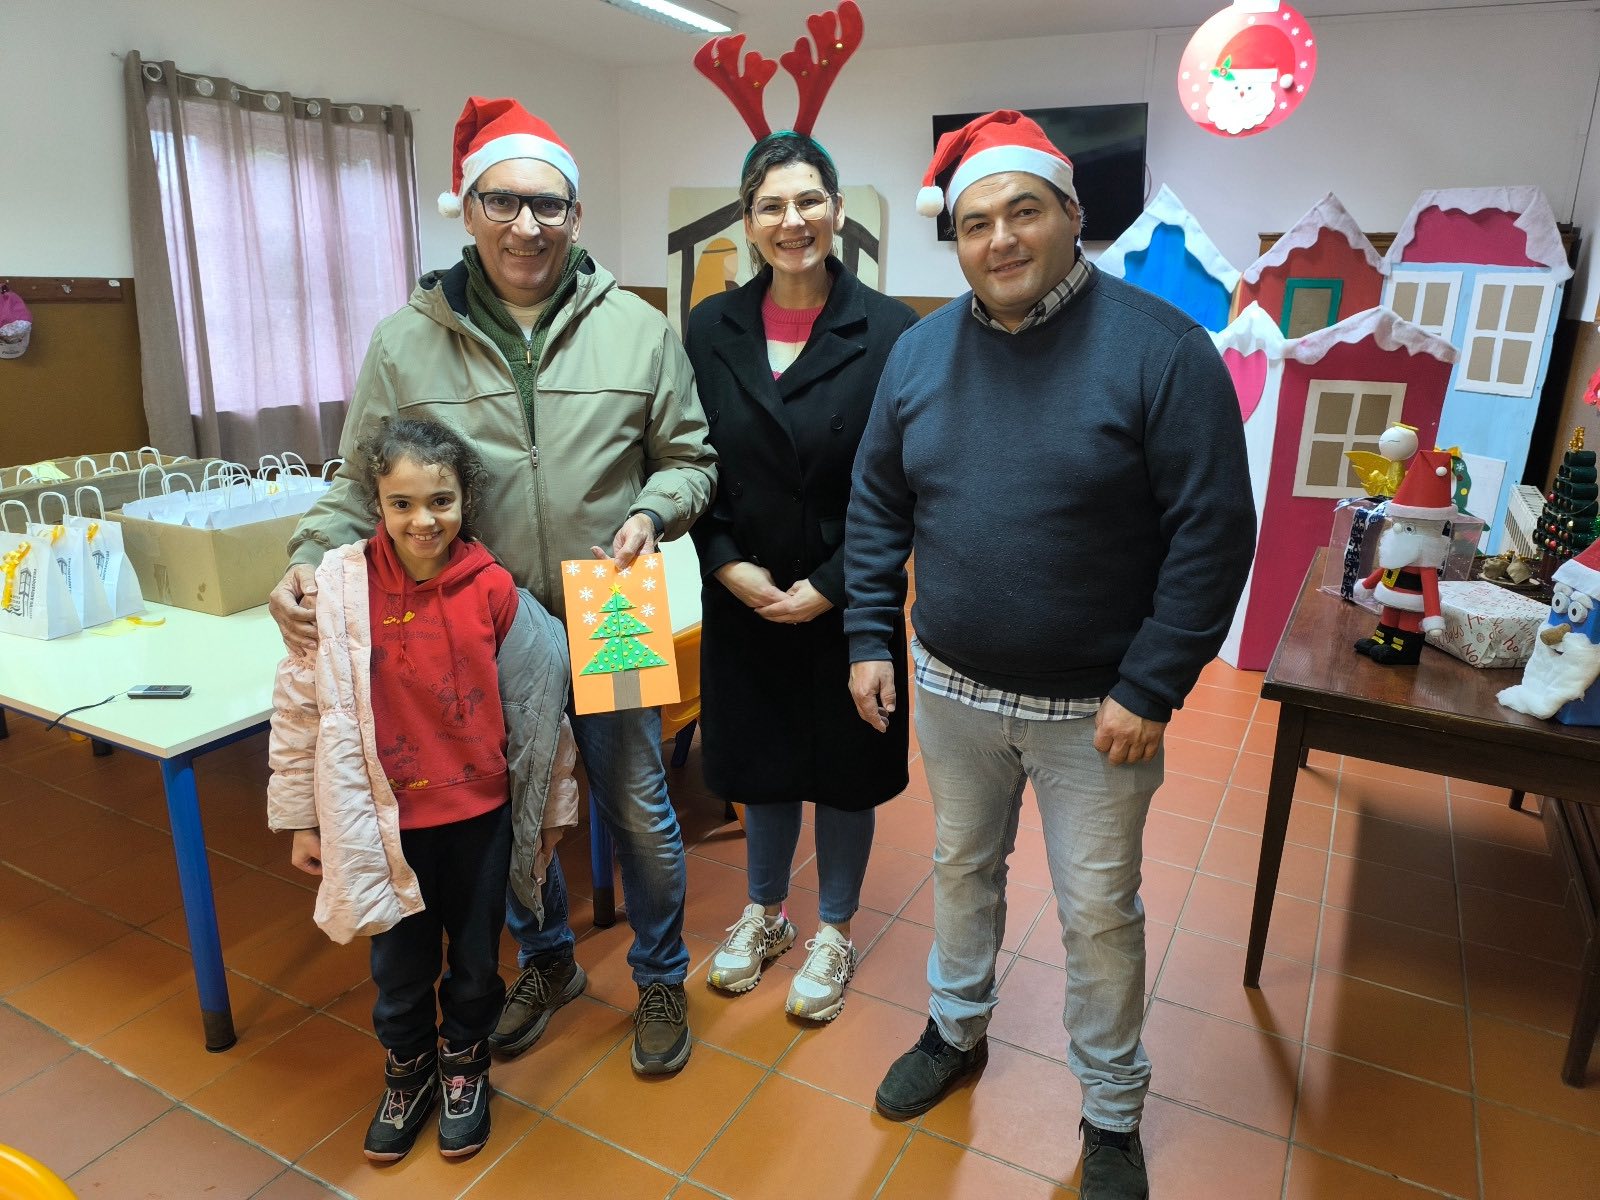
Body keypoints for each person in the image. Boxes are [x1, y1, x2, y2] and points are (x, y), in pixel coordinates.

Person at [844, 111, 1255, 1199]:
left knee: (1098, 911)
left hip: (1097, 715)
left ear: (1073, 214)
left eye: (1023, 211)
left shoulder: (1162, 351)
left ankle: (1111, 1110)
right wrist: (869, 633)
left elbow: (1213, 534)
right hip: (951, 688)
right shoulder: (919, 353)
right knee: (960, 869)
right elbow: (878, 502)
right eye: (975, 222)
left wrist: (1151, 684)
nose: (1000, 239)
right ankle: (955, 1027)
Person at [269, 97, 717, 1077]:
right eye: (503, 202)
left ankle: (659, 977)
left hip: (613, 603)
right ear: (467, 210)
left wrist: (655, 510)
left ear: (576, 216)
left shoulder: (639, 330)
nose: (527, 225)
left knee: (638, 803)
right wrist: (306, 557)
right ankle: (548, 961)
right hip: (478, 618)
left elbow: (690, 457)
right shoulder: (405, 342)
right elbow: (360, 484)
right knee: (508, 802)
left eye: (548, 205)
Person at [267, 418, 578, 1162]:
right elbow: (301, 709)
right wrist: (303, 819)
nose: (423, 521)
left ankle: (465, 1063)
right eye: (401, 503)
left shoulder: (494, 589)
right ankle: (408, 1070)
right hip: (384, 823)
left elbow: (540, 713)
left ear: (465, 499)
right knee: (399, 967)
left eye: (440, 501)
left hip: (480, 817)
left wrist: (551, 812)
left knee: (475, 959)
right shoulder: (338, 588)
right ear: (375, 501)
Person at [684, 118, 917, 1020]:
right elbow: (689, 461)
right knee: (764, 763)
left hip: (848, 594)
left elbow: (901, 483)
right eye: (771, 206)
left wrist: (832, 584)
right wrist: (723, 563)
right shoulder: (709, 328)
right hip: (743, 591)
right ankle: (765, 913)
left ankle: (836, 928)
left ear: (838, 211)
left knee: (846, 768)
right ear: (746, 221)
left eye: (809, 201)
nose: (792, 221)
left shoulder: (891, 331)